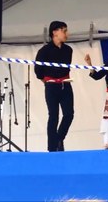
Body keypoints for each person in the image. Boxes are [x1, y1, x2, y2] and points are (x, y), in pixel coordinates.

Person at [34, 21, 74, 152]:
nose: (66, 34)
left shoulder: (68, 50)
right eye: (64, 30)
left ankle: (58, 139)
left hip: (65, 84)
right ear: (55, 32)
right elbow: (38, 71)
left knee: (69, 114)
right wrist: (47, 81)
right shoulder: (44, 51)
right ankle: (52, 147)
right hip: (51, 86)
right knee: (53, 115)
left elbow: (66, 67)